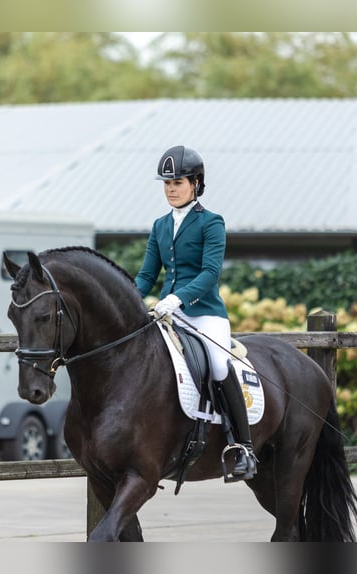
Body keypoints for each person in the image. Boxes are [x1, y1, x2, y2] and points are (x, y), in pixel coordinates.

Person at [135, 145, 257, 480]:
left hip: (204, 314)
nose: (171, 189)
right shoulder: (160, 226)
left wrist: (177, 298)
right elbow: (147, 275)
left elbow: (209, 274)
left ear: (196, 183)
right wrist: (129, 301)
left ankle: (242, 447)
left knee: (219, 364)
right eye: (167, 184)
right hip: (168, 315)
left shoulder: (211, 223)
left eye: (178, 182)